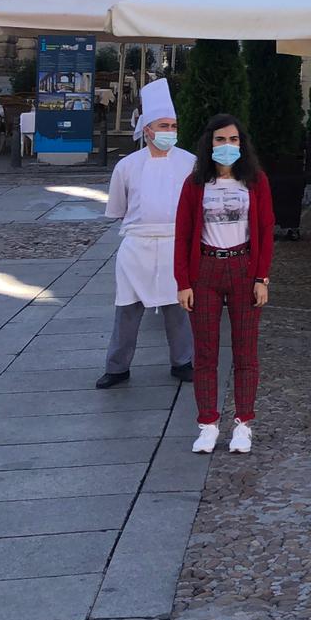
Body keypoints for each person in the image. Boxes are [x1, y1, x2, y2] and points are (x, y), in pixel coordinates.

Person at [174, 115, 275, 454]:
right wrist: (183, 282)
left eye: (233, 139)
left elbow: (266, 230)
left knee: (245, 352)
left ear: (242, 144)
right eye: (220, 139)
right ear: (209, 143)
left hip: (243, 267)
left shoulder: (255, 182)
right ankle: (208, 424)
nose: (227, 146)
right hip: (205, 270)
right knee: (205, 353)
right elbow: (182, 234)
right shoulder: (195, 184)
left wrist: (262, 278)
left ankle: (243, 423)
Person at [98, 80, 196, 390]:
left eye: (173, 126)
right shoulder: (127, 166)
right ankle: (117, 367)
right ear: (148, 129)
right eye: (163, 126)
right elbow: (118, 207)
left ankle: (183, 361)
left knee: (178, 308)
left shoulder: (189, 162)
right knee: (127, 308)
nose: (169, 131)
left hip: (174, 244)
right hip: (137, 246)